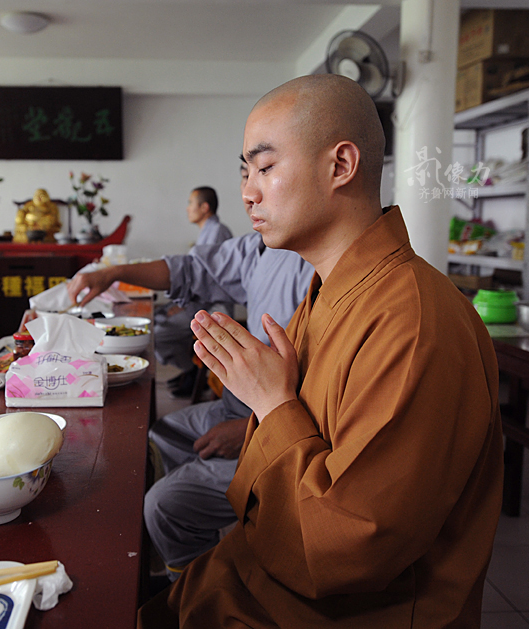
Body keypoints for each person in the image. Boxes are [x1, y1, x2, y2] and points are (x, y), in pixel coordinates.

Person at [138, 75, 503, 628]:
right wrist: (264, 398)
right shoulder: (327, 292)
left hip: (343, 610)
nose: (248, 193)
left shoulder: (414, 324)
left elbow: (348, 547)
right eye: (245, 172)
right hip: (264, 570)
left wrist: (272, 404)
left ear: (341, 165)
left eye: (265, 167)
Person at [68, 215, 314, 582]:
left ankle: (199, 587)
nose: (250, 193)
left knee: (164, 504)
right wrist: (114, 273)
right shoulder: (263, 246)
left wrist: (251, 428)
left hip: (279, 428)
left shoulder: (328, 271)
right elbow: (194, 268)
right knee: (160, 434)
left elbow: (323, 395)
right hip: (241, 405)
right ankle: (184, 553)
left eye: (265, 177)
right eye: (246, 182)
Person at [154, 186, 233, 396]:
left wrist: (184, 306)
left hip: (213, 306)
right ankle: (189, 370)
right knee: (157, 316)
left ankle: (192, 371)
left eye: (191, 203)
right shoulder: (208, 230)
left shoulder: (217, 232)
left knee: (159, 334)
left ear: (204, 207)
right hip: (199, 302)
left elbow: (209, 282)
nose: (188, 208)